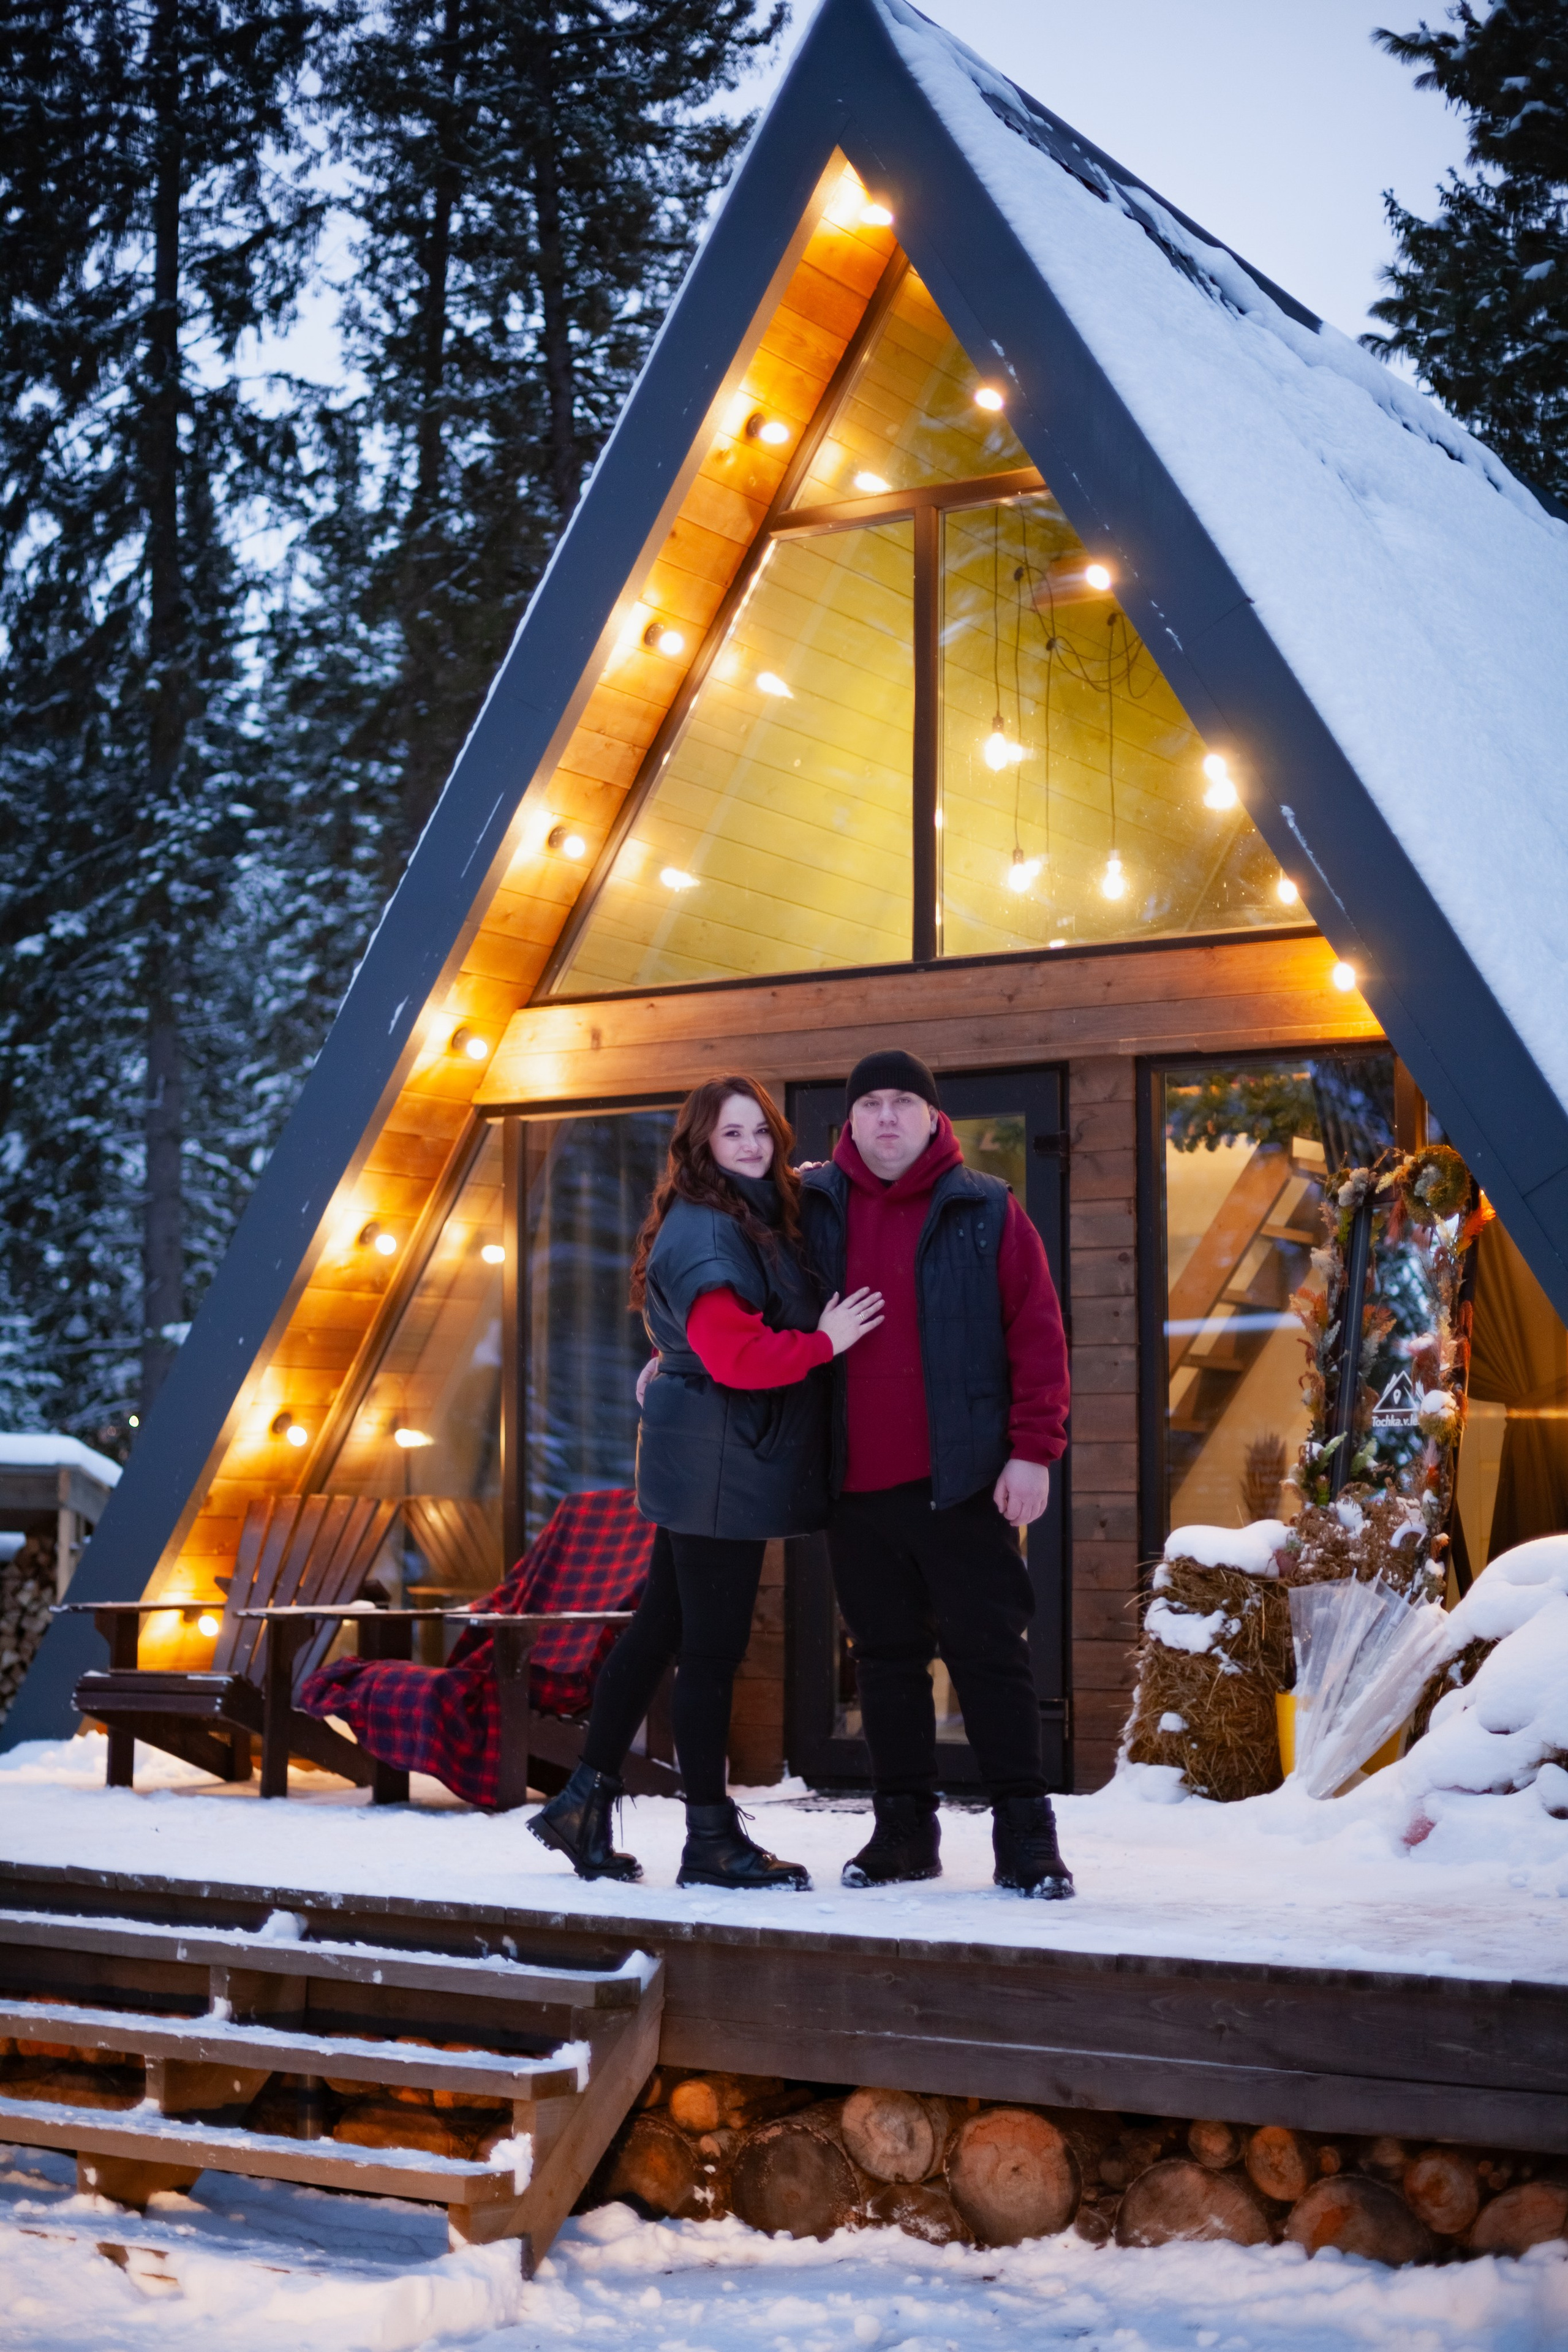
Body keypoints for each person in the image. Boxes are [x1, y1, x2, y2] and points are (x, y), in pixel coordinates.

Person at [530, 1076, 883, 1890]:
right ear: (702, 1147)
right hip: (721, 1465)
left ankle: (582, 1803)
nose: (755, 1146)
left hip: (708, 1454)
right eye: (734, 1135)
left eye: (762, 1130)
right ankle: (710, 1841)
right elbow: (736, 1355)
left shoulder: (745, 1210)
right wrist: (825, 1341)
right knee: (712, 1653)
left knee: (659, 1627)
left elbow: (704, 1338)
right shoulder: (709, 1233)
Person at [800, 1049, 1074, 1898]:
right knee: (884, 1661)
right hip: (853, 1485)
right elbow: (740, 1297)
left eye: (902, 1104)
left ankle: (1025, 1835)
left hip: (963, 1482)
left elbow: (1038, 1338)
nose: (886, 1118)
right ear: (850, 1122)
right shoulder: (810, 1208)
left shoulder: (986, 1209)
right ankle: (903, 1833)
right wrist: (675, 1358)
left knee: (991, 1656)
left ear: (931, 1117)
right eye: (870, 1104)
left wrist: (1034, 1450)